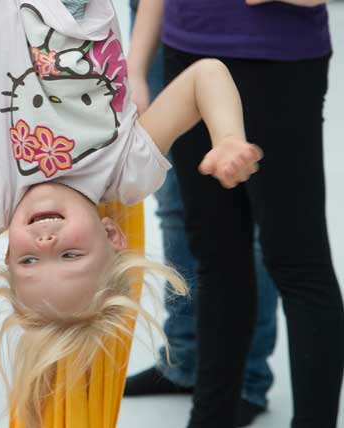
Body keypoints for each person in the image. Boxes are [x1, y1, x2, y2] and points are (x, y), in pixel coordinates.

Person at [0, 1, 262, 427]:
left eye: (29, 261)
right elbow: (205, 76)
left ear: (7, 256)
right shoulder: (126, 171)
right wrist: (227, 136)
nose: (47, 244)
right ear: (112, 237)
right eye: (71, 256)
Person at [126, 0, 344, 427]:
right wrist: (135, 68)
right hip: (185, 55)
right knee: (217, 258)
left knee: (297, 261)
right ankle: (209, 419)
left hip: (277, 63)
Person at [123, 1, 279, 425]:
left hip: (237, 24)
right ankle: (185, 356)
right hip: (162, 19)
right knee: (171, 196)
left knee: (244, 199)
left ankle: (247, 375)